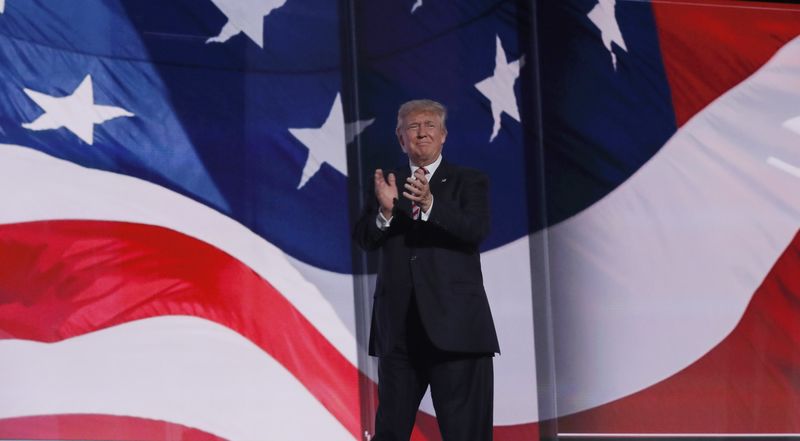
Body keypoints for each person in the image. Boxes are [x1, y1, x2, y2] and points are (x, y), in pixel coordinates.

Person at [353, 99, 500, 441]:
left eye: (430, 125)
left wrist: (431, 204)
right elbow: (364, 239)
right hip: (399, 332)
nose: (422, 133)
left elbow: (474, 231)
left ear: (443, 135)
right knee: (389, 432)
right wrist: (385, 213)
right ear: (400, 138)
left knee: (466, 434)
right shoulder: (386, 184)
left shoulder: (469, 181)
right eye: (413, 127)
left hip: (458, 331)